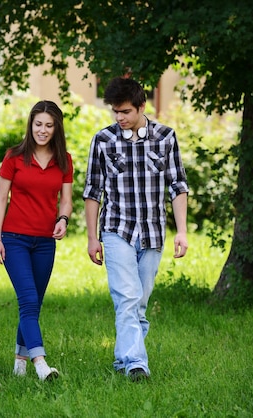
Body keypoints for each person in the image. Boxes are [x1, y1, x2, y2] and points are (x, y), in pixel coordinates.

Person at [83, 77, 189, 382]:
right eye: (115, 112)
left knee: (139, 303)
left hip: (153, 232)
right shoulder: (103, 140)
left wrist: (181, 231)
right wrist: (93, 238)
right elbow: (93, 191)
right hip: (117, 229)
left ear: (142, 106)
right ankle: (135, 363)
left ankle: (124, 358)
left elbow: (178, 186)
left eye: (125, 111)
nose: (119, 117)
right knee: (127, 296)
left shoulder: (166, 137)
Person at [0, 100, 73, 381]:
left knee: (33, 304)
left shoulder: (64, 160)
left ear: (56, 128)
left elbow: (66, 201)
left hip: (45, 243)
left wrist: (62, 220)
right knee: (27, 300)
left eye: (49, 125)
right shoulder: (14, 156)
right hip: (14, 240)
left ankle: (19, 364)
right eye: (38, 124)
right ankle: (40, 364)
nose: (43, 130)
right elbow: (1, 198)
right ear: (31, 124)